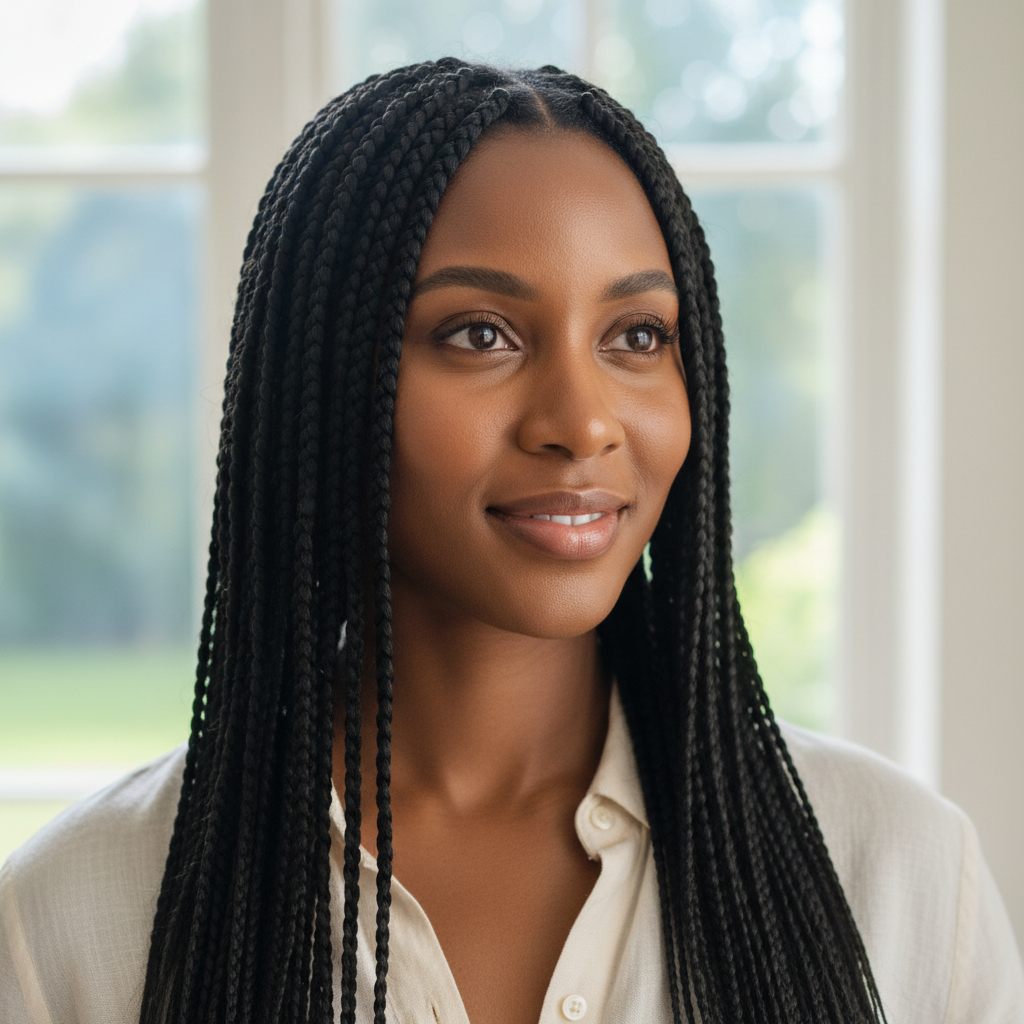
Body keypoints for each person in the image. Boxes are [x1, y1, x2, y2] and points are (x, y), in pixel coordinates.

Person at [1, 59, 1022, 1024]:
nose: (580, 422)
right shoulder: (71, 921)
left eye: (636, 337)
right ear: (323, 384)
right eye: (479, 333)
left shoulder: (896, 873)